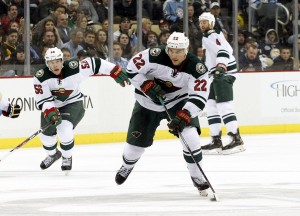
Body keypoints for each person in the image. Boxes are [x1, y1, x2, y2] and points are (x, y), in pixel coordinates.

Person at [115, 32, 210, 196]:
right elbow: (131, 69)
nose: (174, 54)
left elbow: (199, 96)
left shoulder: (197, 68)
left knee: (191, 137)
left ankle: (197, 176)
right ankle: (127, 166)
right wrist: (145, 85)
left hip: (178, 102)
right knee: (133, 149)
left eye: (178, 51)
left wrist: (185, 114)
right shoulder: (154, 55)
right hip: (146, 103)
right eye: (171, 50)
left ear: (186, 50)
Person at [33, 47, 129, 174]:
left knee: (64, 129)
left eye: (57, 61)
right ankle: (53, 155)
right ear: (47, 64)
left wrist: (115, 71)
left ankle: (67, 157)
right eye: (51, 62)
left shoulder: (74, 68)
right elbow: (44, 100)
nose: (55, 64)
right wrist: (50, 112)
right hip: (52, 106)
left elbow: (96, 63)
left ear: (62, 60)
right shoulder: (40, 77)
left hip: (73, 103)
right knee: (46, 137)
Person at [198, 12, 245, 155]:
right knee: (211, 106)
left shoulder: (214, 34)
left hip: (222, 75)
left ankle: (236, 139)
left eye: (205, 22)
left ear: (212, 23)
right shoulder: (206, 36)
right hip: (213, 76)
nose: (202, 24)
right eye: (201, 22)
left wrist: (221, 67)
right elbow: (211, 57)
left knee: (224, 106)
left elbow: (225, 50)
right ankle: (216, 141)